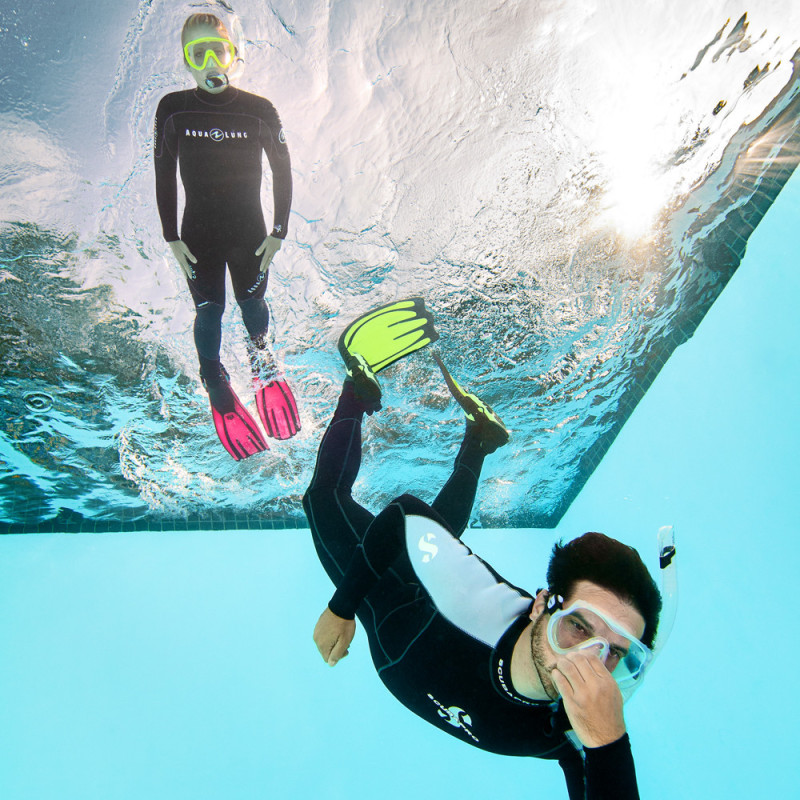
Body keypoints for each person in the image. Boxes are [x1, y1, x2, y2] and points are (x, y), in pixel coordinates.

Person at [303, 300, 662, 800]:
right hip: (388, 594)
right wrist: (341, 607)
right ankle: (358, 392)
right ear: (542, 605)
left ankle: (479, 439)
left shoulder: (577, 736)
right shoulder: (483, 605)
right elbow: (405, 513)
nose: (590, 661)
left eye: (616, 654)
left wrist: (607, 746)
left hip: (415, 612)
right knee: (325, 499)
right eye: (579, 625)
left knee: (441, 538)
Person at [153, 12, 299, 460]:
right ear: (187, 62)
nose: (211, 59)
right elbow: (162, 173)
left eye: (219, 49)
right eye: (199, 53)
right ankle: (213, 375)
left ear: (234, 55)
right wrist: (170, 236)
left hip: (251, 233)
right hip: (196, 235)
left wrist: (279, 231)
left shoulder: (259, 109)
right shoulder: (173, 108)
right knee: (209, 309)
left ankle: (260, 357)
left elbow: (282, 168)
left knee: (252, 302)